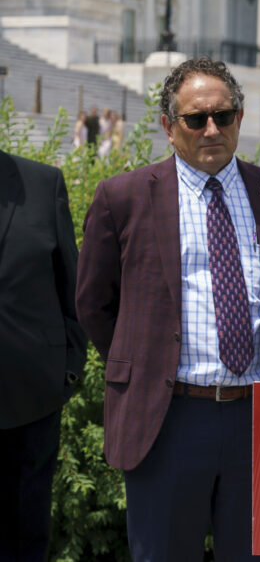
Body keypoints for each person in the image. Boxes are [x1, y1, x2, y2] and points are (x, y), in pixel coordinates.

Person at [76, 57, 260, 560]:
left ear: (240, 120)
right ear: (167, 126)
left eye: (223, 117)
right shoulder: (125, 197)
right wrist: (148, 363)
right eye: (195, 119)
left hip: (258, 417)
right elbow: (95, 305)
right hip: (167, 418)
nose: (211, 129)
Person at [0, 150, 87, 560]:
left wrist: (66, 373)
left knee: (25, 539)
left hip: (31, 401)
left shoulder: (43, 183)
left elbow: (71, 285)